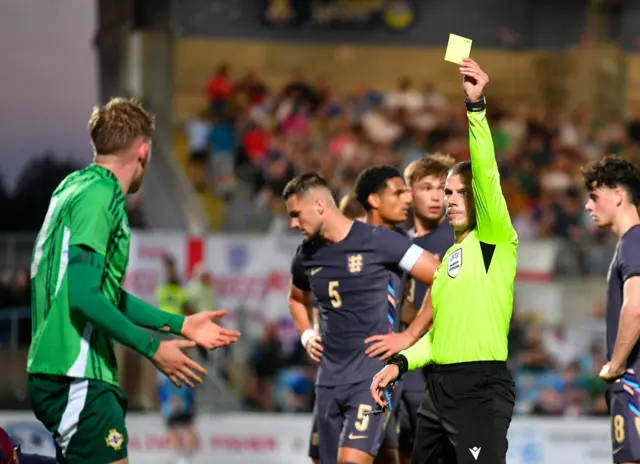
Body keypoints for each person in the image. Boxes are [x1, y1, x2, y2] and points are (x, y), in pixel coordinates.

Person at [26, 97, 241, 464]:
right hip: (78, 374)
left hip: (62, 370)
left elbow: (98, 293)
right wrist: (155, 349)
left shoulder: (73, 186)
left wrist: (180, 324)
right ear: (143, 151)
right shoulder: (101, 195)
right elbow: (83, 296)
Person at [370, 58, 517, 464]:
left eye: (458, 192)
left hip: (478, 390)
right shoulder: (451, 256)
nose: (449, 200)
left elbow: (485, 173)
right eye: (446, 193)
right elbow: (439, 337)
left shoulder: (494, 239)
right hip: (437, 391)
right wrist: (400, 362)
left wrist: (476, 108)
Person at [284, 173, 440, 464]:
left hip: (372, 378)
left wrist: (409, 335)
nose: (293, 223)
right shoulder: (306, 255)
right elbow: (296, 299)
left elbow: (441, 277)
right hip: (329, 381)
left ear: (319, 205)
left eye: (296, 214)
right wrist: (306, 334)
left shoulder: (379, 241)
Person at [389, 155, 456, 464]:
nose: (434, 196)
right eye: (425, 187)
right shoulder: (398, 241)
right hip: (400, 363)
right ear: (408, 192)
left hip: (438, 366)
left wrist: (411, 317)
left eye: (441, 188)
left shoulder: (457, 239)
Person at [582, 155, 640, 464]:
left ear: (617, 195)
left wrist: (616, 365)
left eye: (594, 197)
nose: (588, 206)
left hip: (634, 384)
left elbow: (637, 307)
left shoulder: (634, 242)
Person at [157, 370, 197, 464]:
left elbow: (191, 391)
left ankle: (186, 456)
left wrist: (190, 405)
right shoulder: (164, 376)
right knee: (174, 431)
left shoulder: (185, 375)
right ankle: (179, 455)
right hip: (171, 408)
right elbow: (161, 390)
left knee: (189, 429)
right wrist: (168, 400)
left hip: (184, 407)